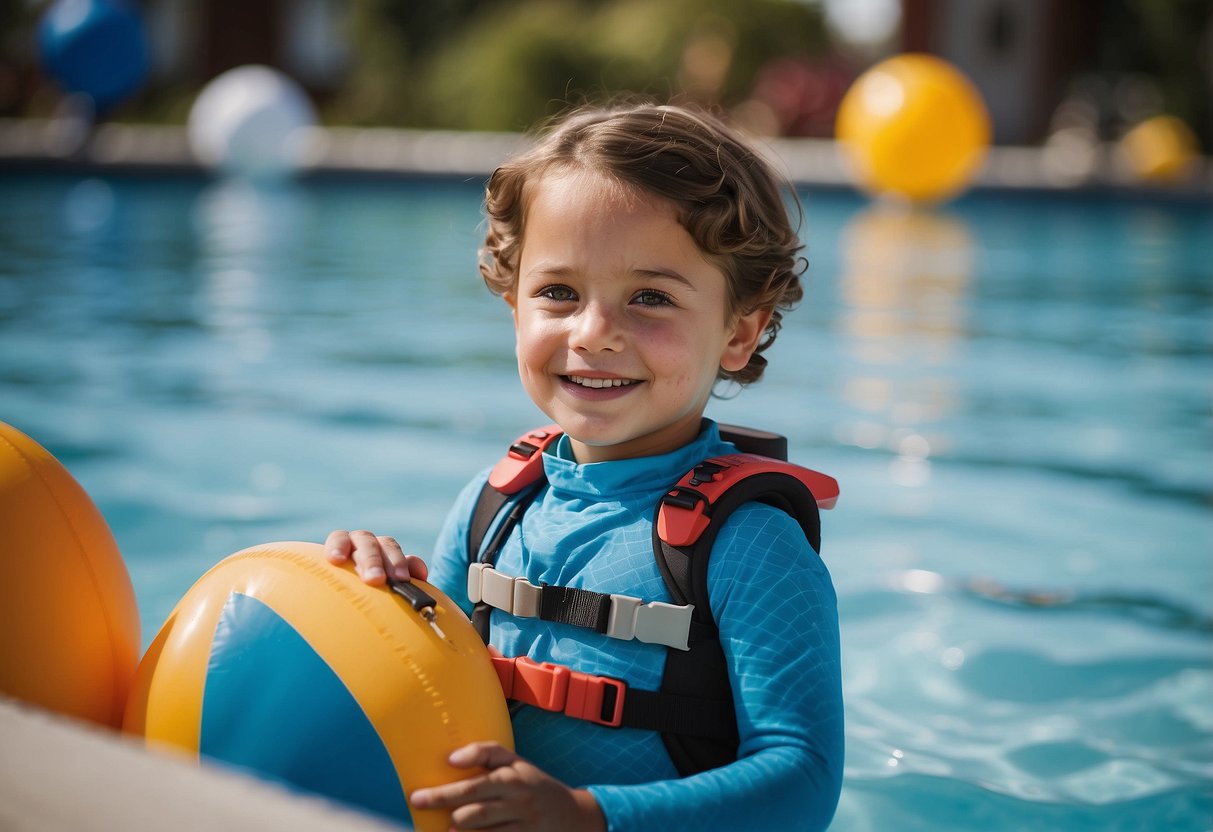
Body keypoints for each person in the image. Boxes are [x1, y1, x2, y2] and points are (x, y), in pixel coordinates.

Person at [326, 101, 844, 831]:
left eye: (650, 298)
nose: (595, 334)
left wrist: (587, 816)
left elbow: (802, 781)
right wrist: (369, 595)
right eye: (558, 293)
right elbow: (422, 688)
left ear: (739, 330)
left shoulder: (748, 545)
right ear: (513, 305)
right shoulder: (493, 507)